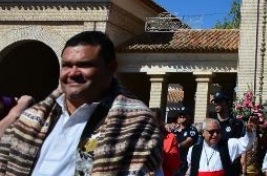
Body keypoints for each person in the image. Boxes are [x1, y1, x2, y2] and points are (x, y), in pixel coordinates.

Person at [0, 30, 162, 175]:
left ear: (111, 68)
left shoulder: (136, 124)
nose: (72, 73)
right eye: (66, 65)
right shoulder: (32, 119)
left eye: (84, 65)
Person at [187, 116, 257, 176]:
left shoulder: (228, 145)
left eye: (217, 132)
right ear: (203, 133)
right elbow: (190, 169)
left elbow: (245, 143)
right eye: (211, 132)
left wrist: (249, 132)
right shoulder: (193, 150)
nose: (215, 135)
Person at [210, 90, 246, 175]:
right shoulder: (211, 122)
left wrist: (243, 169)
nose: (216, 104)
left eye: (219, 101)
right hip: (214, 165)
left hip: (232, 166)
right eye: (215, 101)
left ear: (227, 102)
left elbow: (243, 146)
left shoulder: (236, 123)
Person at [152, 107, 182, 176]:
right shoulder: (140, 137)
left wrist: (161, 154)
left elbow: (175, 164)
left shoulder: (171, 138)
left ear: (159, 121)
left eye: (153, 120)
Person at [174, 106, 200, 176]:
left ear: (189, 116)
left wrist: (173, 147)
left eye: (184, 114)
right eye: (180, 114)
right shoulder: (174, 130)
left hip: (186, 165)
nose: (182, 116)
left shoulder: (192, 130)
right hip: (173, 164)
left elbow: (188, 142)